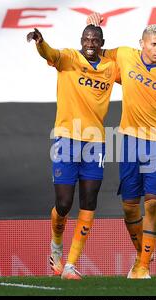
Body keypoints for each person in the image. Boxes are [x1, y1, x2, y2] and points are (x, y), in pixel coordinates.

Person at [87, 14, 156, 279]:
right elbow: (93, 51)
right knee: (130, 205)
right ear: (141, 43)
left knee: (153, 203)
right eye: (153, 44)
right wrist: (94, 27)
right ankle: (144, 252)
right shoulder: (125, 56)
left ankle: (143, 266)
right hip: (129, 140)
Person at [27, 25, 119, 280]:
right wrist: (40, 41)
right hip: (66, 138)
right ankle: (56, 247)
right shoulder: (68, 58)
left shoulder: (111, 67)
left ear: (102, 42)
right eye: (87, 38)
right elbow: (51, 54)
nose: (90, 42)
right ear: (81, 41)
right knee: (64, 204)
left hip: (96, 142)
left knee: (89, 202)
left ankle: (70, 264)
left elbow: (136, 72)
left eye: (95, 39)